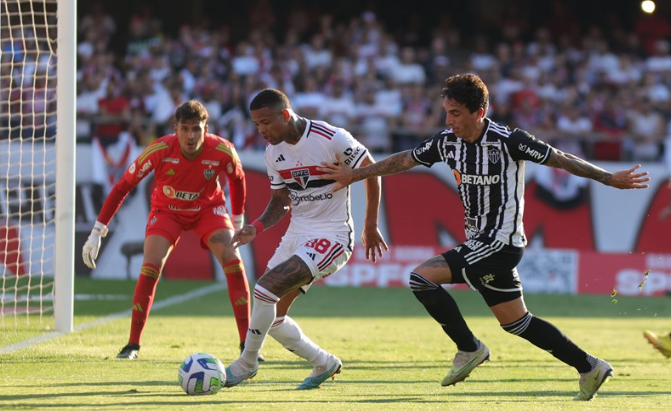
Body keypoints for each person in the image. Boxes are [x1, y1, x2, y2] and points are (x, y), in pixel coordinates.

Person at [318, 74, 651, 401]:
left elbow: (560, 158)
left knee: (421, 278)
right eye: (447, 113)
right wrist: (356, 174)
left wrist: (609, 178)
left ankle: (469, 349)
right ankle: (589, 366)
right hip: (482, 243)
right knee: (517, 322)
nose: (449, 121)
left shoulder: (509, 141)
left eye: (456, 113)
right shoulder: (446, 142)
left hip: (500, 242)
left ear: (479, 112)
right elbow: (404, 160)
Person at [224, 88, 387, 390]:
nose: (261, 130)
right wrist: (257, 227)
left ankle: (247, 363)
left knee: (264, 289)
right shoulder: (273, 152)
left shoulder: (331, 138)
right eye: (256, 124)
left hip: (332, 235)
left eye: (266, 122)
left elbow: (372, 170)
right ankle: (324, 362)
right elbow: (281, 200)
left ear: (285, 115)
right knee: (271, 317)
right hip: (296, 235)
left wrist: (371, 224)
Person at [82, 100, 259, 361]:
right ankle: (132, 345)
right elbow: (122, 187)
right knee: (151, 266)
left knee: (233, 263)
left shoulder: (222, 149)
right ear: (175, 129)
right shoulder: (160, 149)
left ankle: (248, 345)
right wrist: (97, 230)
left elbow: (238, 179)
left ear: (205, 129)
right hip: (168, 211)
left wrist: (238, 221)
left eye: (196, 129)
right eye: (184, 129)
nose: (190, 136)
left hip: (208, 211)